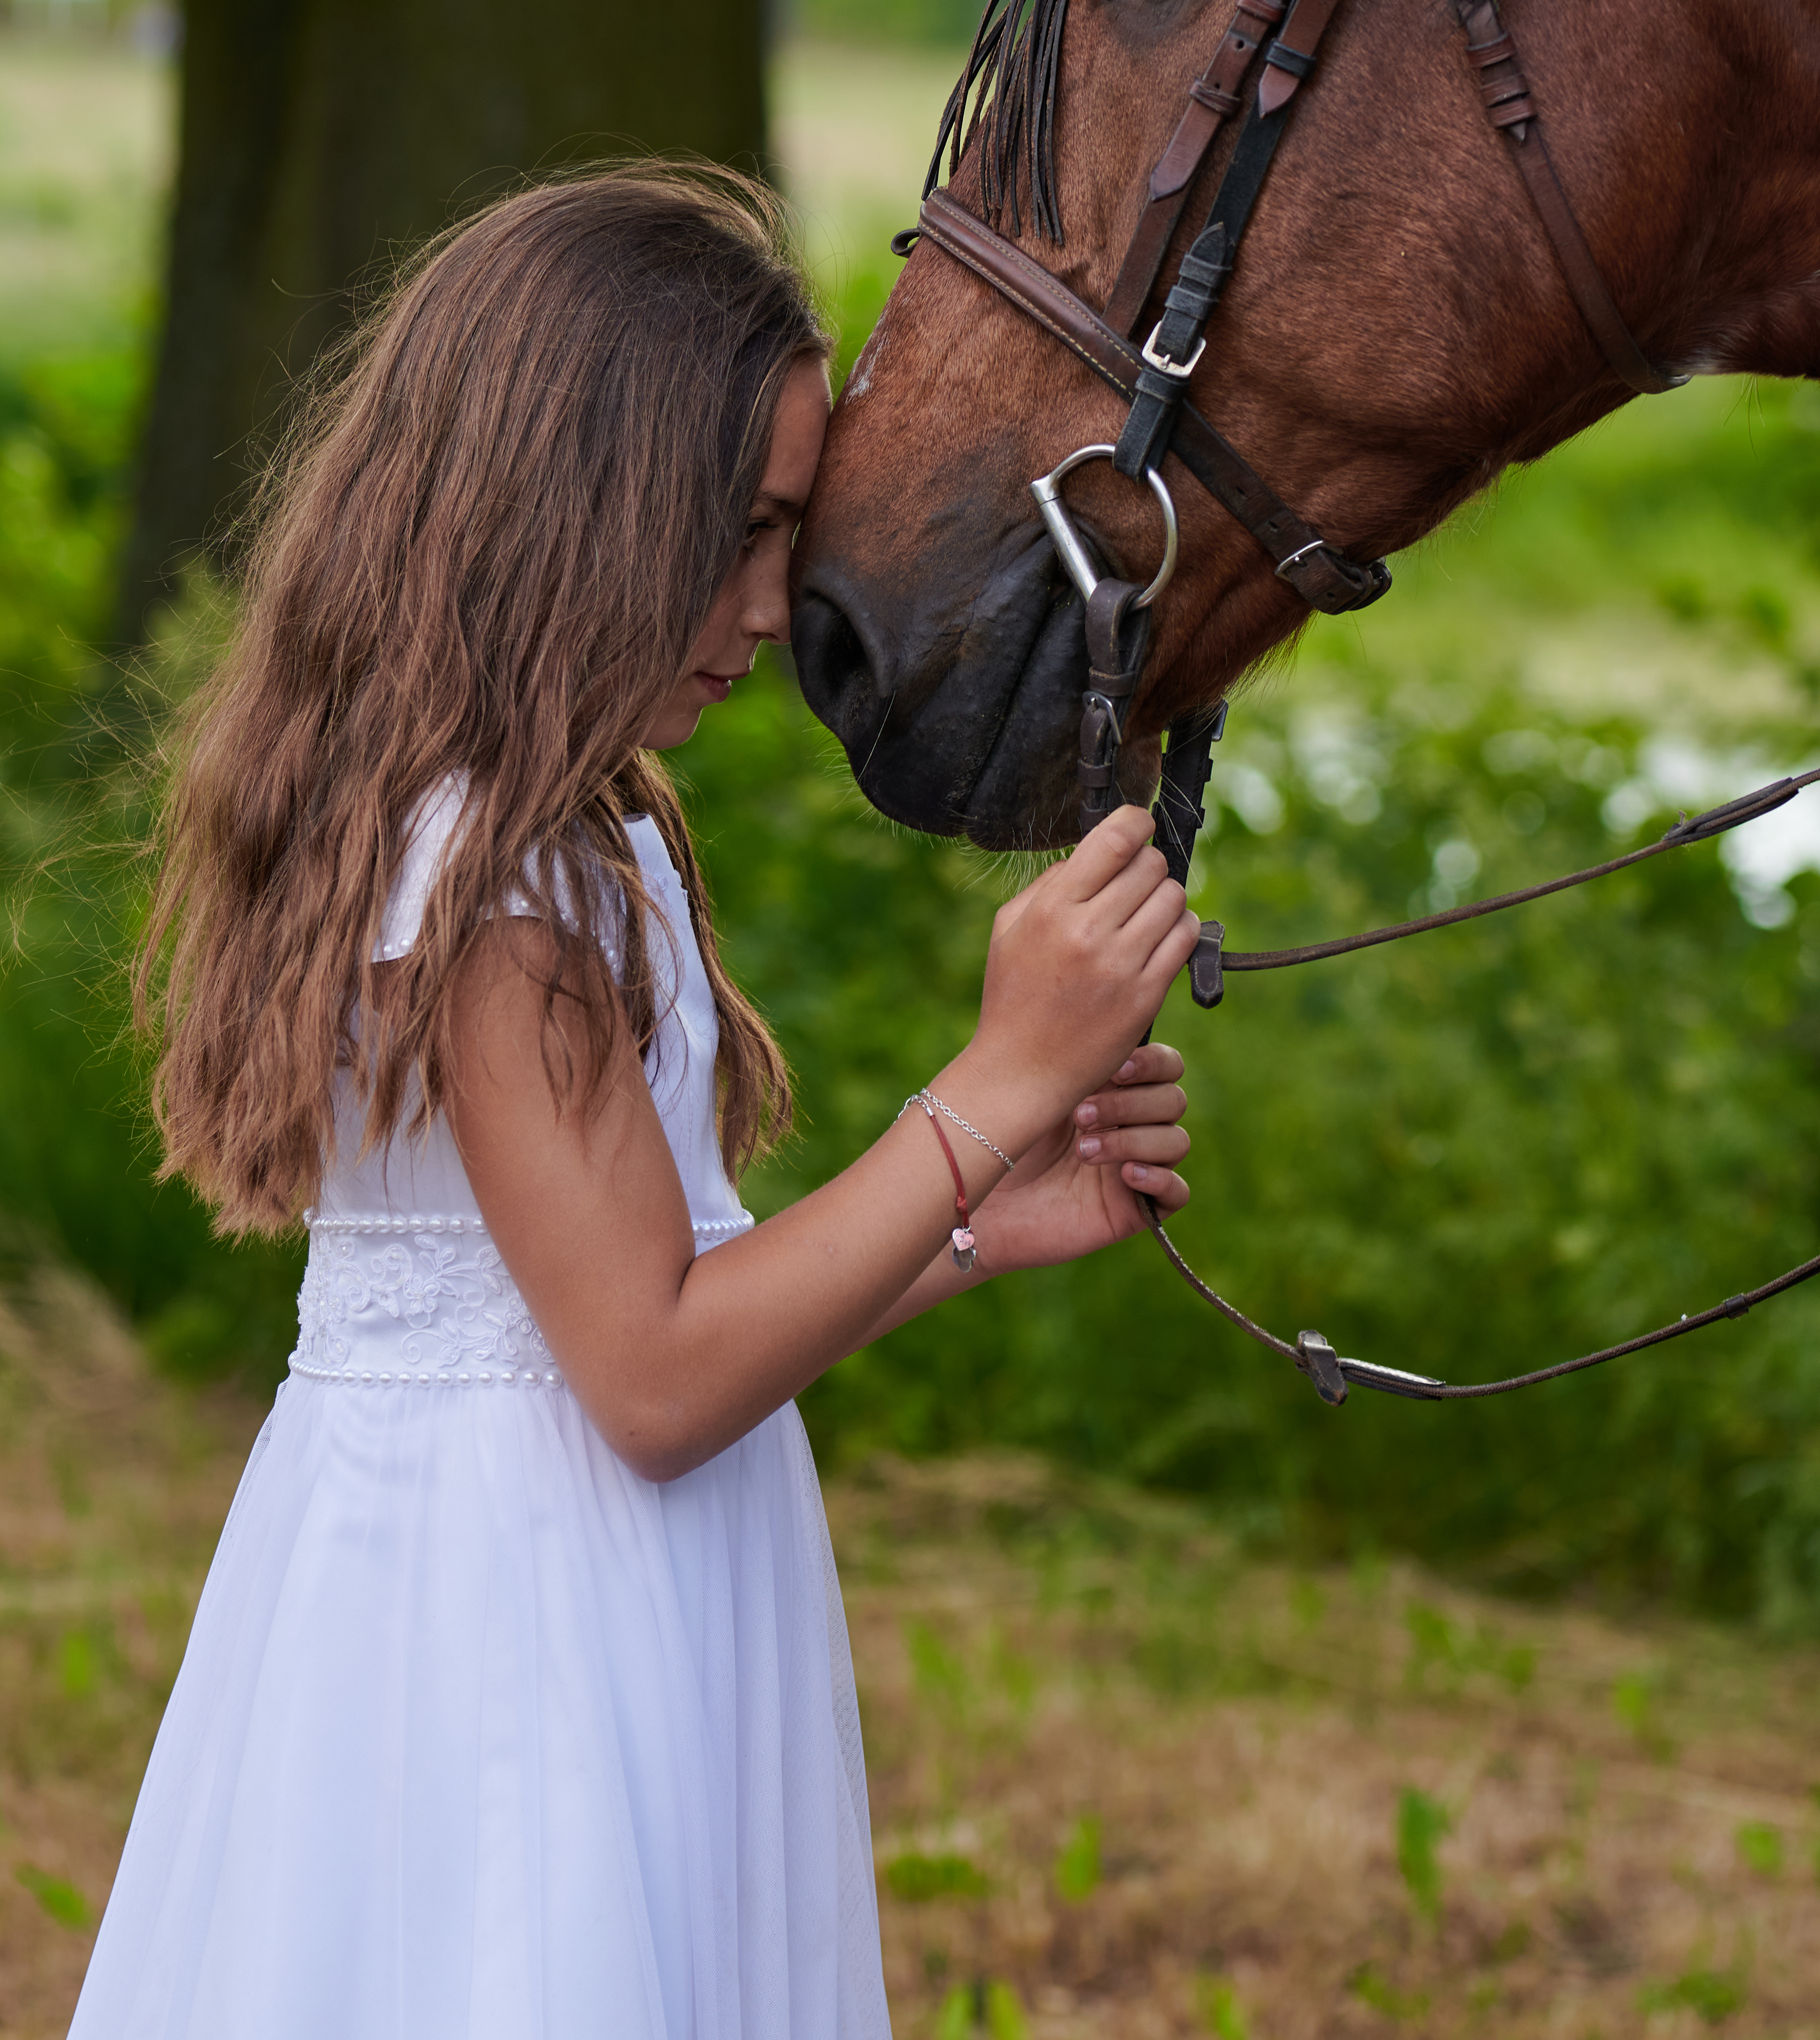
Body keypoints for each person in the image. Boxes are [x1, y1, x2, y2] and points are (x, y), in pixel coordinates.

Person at [70, 165, 1196, 2040]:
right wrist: (995, 1082)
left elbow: (676, 1290)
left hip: (591, 1569)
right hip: (511, 1622)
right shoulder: (484, 879)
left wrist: (995, 1216)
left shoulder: (582, 834)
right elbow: (656, 1377)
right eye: (743, 534)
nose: (773, 609)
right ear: (578, 508)